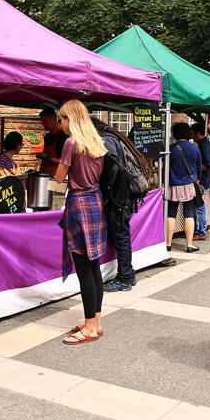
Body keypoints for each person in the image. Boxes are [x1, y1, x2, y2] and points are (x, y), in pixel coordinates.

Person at [56, 101, 109, 344]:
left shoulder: (71, 143)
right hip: (95, 202)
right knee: (94, 265)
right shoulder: (96, 141)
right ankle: (95, 322)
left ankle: (88, 327)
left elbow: (59, 177)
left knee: (84, 269)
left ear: (71, 119)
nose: (60, 124)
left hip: (78, 204)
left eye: (62, 119)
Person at [92, 118, 139, 293]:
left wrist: (109, 194)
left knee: (121, 237)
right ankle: (129, 275)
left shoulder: (105, 141)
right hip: (122, 197)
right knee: (122, 237)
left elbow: (113, 170)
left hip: (119, 199)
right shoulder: (112, 138)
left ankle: (125, 278)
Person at [167, 123, 203, 253]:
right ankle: (189, 244)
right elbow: (199, 168)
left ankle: (168, 243)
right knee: (189, 214)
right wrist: (197, 180)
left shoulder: (170, 148)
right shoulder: (194, 148)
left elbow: (165, 167)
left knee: (171, 214)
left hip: (173, 184)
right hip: (189, 184)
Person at [191, 123, 210, 241]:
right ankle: (198, 230)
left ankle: (201, 232)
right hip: (203, 178)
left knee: (199, 206)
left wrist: (196, 168)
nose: (191, 135)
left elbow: (209, 164)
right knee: (198, 205)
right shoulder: (203, 144)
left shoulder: (204, 145)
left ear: (198, 133)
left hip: (202, 179)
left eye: (192, 133)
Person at [37, 107, 66, 175]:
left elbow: (65, 162)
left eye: (46, 121)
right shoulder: (47, 137)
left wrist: (51, 159)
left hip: (56, 177)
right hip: (44, 174)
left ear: (53, 119)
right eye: (42, 122)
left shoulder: (63, 136)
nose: (44, 124)